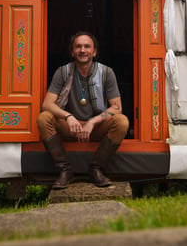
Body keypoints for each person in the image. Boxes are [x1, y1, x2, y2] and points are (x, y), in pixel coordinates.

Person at [37, 31, 129, 189]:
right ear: (72, 52)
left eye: (87, 46)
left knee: (122, 122)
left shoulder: (106, 72)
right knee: (44, 118)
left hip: (95, 127)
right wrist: (68, 117)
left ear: (94, 52)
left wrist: (93, 122)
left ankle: (96, 169)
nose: (82, 50)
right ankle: (65, 170)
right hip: (71, 127)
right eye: (78, 47)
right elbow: (47, 104)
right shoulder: (63, 72)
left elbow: (117, 107)